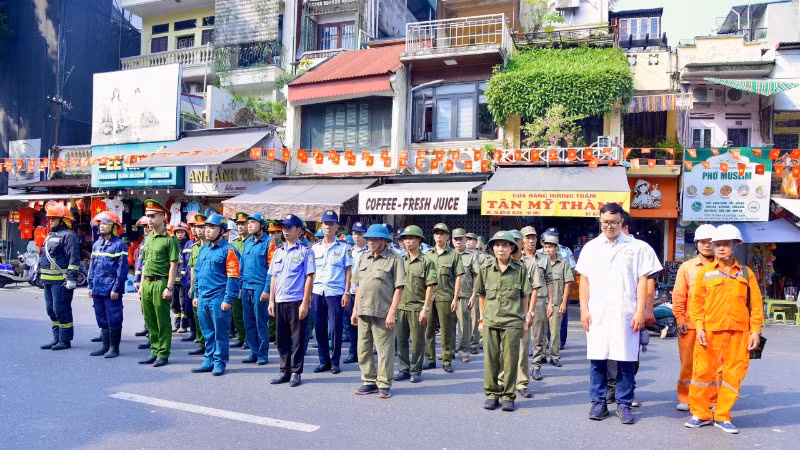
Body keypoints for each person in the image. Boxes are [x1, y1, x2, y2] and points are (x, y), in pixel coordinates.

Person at [577, 203, 660, 425]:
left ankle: (624, 404)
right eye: (605, 222)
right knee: (598, 359)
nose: (609, 226)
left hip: (626, 312)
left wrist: (640, 311)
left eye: (614, 222)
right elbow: (584, 280)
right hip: (598, 312)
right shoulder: (591, 248)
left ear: (622, 222)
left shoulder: (638, 247)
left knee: (625, 360)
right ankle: (599, 402)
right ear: (600, 221)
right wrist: (584, 309)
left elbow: (644, 280)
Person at [685, 224, 763, 434]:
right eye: (717, 244)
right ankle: (700, 413)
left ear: (736, 245)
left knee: (733, 375)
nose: (720, 248)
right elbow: (697, 304)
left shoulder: (746, 274)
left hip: (739, 333)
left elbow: (756, 305)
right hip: (709, 332)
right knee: (702, 373)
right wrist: (699, 327)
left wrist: (755, 331)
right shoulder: (705, 273)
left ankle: (722, 415)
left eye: (725, 244)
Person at [475, 231, 533, 412]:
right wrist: (481, 319)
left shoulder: (520, 269)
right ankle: (492, 394)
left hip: (512, 321)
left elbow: (525, 296)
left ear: (511, 248)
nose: (501, 248)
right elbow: (482, 296)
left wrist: (525, 319)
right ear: (492, 248)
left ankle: (508, 395)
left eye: (505, 245)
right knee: (490, 360)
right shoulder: (485, 270)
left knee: (510, 360)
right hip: (491, 321)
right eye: (497, 245)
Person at [351, 224, 405, 398]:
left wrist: (392, 311)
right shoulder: (363, 257)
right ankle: (369, 381)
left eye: (374, 239)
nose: (370, 242)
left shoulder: (395, 259)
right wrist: (355, 309)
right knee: (363, 348)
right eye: (368, 239)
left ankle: (384, 383)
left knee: (384, 349)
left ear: (384, 241)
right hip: (364, 310)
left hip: (383, 310)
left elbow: (399, 287)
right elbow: (358, 285)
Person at [672, 224, 717, 412]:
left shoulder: (723, 267)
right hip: (689, 325)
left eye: (710, 242)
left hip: (715, 325)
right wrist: (680, 319)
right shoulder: (686, 267)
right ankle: (685, 397)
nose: (707, 246)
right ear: (696, 244)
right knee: (688, 363)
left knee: (715, 364)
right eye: (703, 242)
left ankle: (712, 400)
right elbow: (679, 296)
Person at [191, 213, 241, 376]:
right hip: (203, 298)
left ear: (223, 231)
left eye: (212, 228)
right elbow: (198, 273)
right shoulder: (204, 248)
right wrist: (197, 294)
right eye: (206, 227)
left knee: (220, 333)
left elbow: (233, 276)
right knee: (207, 332)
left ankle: (219, 362)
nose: (207, 231)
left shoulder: (229, 250)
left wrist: (228, 299)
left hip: (219, 299)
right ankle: (209, 359)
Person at [269, 214, 315, 387]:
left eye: (289, 228)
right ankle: (284, 370)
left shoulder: (306, 251)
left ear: (299, 230)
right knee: (281, 338)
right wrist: (272, 300)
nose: (285, 231)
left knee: (298, 339)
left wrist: (305, 301)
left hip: (296, 300)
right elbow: (274, 276)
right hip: (280, 300)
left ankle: (296, 371)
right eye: (284, 228)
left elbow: (310, 277)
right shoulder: (278, 251)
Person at [309, 210, 353, 374]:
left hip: (335, 292)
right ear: (322, 225)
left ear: (337, 226)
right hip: (318, 291)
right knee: (319, 328)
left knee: (336, 329)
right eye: (325, 223)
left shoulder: (343, 247)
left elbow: (348, 271)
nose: (328, 226)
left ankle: (335, 361)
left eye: (331, 223)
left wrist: (346, 292)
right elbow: (311, 272)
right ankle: (323, 360)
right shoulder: (314, 248)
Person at [138, 200, 180, 368]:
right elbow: (144, 264)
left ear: (163, 217)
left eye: (152, 216)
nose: (149, 219)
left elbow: (173, 265)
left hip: (161, 282)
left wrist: (169, 287)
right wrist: (141, 285)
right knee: (150, 319)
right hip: (147, 282)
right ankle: (154, 350)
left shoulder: (170, 239)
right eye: (148, 216)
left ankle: (163, 353)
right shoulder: (148, 238)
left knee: (162, 320)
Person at [395, 225, 437, 383]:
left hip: (417, 307)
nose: (407, 241)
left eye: (411, 238)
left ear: (419, 240)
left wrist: (425, 309)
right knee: (401, 339)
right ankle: (403, 369)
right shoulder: (400, 260)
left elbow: (430, 286)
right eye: (405, 238)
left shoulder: (427, 261)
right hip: (401, 306)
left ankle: (416, 370)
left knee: (418, 341)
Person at [39, 201, 81, 351]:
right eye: (49, 218)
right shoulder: (50, 235)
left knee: (61, 309)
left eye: (53, 218)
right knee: (51, 310)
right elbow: (44, 258)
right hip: (48, 281)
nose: (50, 221)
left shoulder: (69, 236)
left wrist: (71, 279)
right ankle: (56, 339)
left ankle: (65, 340)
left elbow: (74, 259)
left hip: (61, 282)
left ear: (63, 219)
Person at [423, 223, 464, 373]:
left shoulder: (454, 255)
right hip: (429, 297)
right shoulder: (427, 255)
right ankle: (430, 359)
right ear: (433, 236)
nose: (439, 237)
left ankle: (447, 360)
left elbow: (459, 277)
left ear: (448, 237)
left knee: (447, 330)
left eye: (442, 234)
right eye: (437, 234)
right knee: (428, 330)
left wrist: (455, 298)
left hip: (446, 296)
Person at [87, 211, 128, 358]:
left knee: (114, 318)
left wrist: (116, 288)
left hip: (111, 289)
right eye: (100, 224)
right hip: (98, 287)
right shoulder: (97, 244)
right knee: (101, 318)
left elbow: (122, 269)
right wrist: (90, 286)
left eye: (105, 224)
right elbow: (92, 267)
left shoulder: (119, 244)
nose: (101, 226)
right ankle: (105, 346)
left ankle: (114, 348)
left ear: (113, 226)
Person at [521, 226, 552, 383]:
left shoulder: (544, 258)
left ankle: (537, 365)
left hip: (540, 300)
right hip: (521, 301)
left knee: (539, 336)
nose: (531, 240)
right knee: (522, 337)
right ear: (522, 240)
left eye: (533, 237)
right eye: (527, 237)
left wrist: (551, 303)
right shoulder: (517, 259)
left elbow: (549, 281)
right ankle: (521, 368)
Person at [537, 227, 575, 350]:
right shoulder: (537, 260)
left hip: (557, 301)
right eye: (546, 246)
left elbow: (568, 281)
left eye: (551, 246)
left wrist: (564, 302)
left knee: (556, 330)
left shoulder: (564, 260)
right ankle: (540, 353)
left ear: (556, 247)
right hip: (541, 301)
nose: (548, 249)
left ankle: (555, 353)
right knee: (540, 330)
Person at [241, 213, 271, 365]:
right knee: (249, 322)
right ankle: (253, 351)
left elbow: (272, 269)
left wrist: (267, 290)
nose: (250, 225)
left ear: (262, 225)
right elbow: (241, 266)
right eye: (249, 223)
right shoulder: (247, 242)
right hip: (246, 286)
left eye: (253, 222)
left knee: (261, 322)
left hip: (260, 287)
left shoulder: (269, 243)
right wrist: (240, 286)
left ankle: (262, 354)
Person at [452, 228, 480, 364]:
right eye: (456, 239)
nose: (458, 242)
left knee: (464, 325)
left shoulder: (472, 255)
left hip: (465, 295)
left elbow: (477, 276)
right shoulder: (449, 255)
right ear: (452, 241)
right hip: (448, 295)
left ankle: (464, 351)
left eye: (461, 239)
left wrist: (474, 295)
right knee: (449, 325)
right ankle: (449, 350)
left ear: (464, 240)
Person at [345, 222, 369, 364]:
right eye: (354, 234)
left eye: (360, 234)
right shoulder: (348, 250)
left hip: (364, 292)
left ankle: (363, 353)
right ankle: (353, 352)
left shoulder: (368, 252)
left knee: (364, 324)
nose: (357, 237)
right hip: (351, 292)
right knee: (351, 323)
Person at [187, 213, 207, 355]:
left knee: (209, 318)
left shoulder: (212, 246)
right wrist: (191, 286)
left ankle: (210, 343)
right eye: (195, 227)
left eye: (201, 227)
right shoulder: (194, 247)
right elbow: (193, 269)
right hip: (197, 287)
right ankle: (201, 343)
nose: (198, 230)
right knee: (198, 316)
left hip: (211, 286)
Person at [229, 212, 249, 348]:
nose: (240, 227)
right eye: (238, 224)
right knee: (237, 313)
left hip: (248, 280)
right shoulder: (234, 243)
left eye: (243, 224)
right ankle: (241, 337)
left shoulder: (253, 241)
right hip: (236, 280)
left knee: (248, 313)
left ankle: (250, 339)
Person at [179, 217, 200, 343]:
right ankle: (193, 332)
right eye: (191, 226)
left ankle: (200, 335)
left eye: (196, 226)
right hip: (187, 282)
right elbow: (185, 263)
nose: (194, 228)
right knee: (188, 309)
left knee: (199, 311)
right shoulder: (188, 244)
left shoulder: (205, 244)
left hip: (199, 283)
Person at [133, 215, 152, 343]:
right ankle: (147, 328)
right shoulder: (144, 240)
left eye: (147, 226)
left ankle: (152, 335)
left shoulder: (156, 240)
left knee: (152, 309)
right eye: (143, 227)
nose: (145, 229)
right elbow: (140, 262)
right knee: (144, 306)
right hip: (142, 278)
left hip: (152, 279)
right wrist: (137, 279)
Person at [171, 222, 191, 333]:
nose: (179, 234)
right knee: (174, 303)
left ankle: (183, 325)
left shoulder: (187, 244)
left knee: (183, 302)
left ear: (185, 233)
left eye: (181, 232)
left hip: (183, 279)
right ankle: (176, 324)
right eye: (177, 232)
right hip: (173, 279)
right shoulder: (172, 244)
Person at [465, 232, 483, 353]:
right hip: (462, 292)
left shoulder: (481, 257)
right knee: (463, 321)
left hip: (475, 293)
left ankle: (474, 344)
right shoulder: (459, 255)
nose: (468, 242)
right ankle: (463, 344)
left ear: (476, 242)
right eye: (467, 239)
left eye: (471, 240)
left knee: (474, 319)